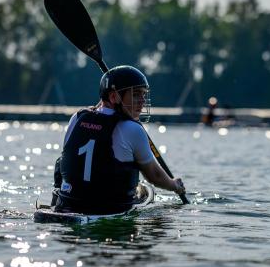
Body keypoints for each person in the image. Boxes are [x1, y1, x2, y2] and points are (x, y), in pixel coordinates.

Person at [52, 65, 185, 214]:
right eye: (135, 94)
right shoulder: (133, 129)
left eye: (143, 94)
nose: (141, 100)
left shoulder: (77, 118)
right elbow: (154, 175)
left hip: (68, 205)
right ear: (114, 97)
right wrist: (174, 185)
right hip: (110, 209)